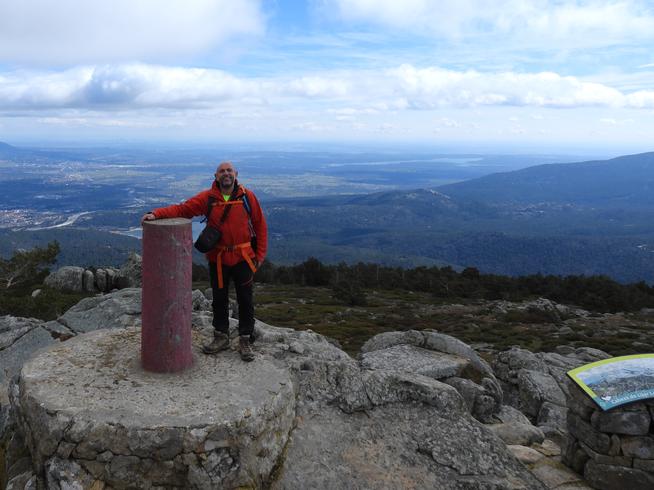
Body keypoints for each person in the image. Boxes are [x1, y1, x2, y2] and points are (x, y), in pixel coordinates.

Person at [141, 161, 267, 361]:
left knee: (246, 300)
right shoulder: (208, 198)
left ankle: (245, 339)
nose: (226, 174)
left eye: (229, 171)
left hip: (244, 258)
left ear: (236, 174)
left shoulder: (247, 197)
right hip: (218, 259)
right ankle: (221, 336)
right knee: (219, 299)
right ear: (216, 176)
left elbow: (260, 226)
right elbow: (183, 209)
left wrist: (259, 256)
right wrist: (157, 213)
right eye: (222, 171)